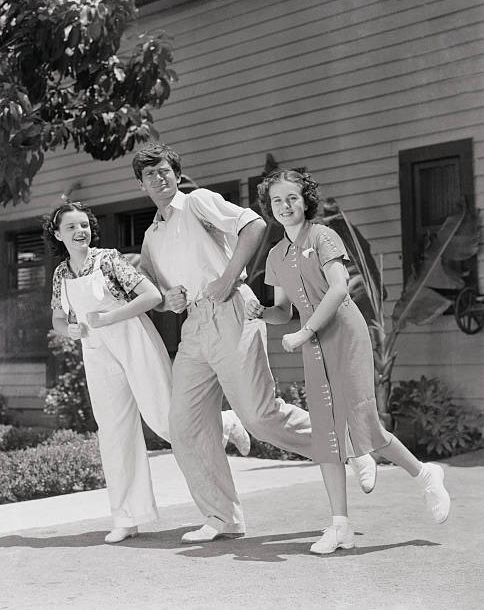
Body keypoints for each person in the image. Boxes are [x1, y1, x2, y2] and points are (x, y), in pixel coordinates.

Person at [132, 143, 376, 544]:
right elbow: (157, 287)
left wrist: (230, 276)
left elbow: (253, 225)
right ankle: (222, 517)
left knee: (260, 417)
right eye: (149, 176)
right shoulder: (151, 236)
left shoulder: (198, 203)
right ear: (142, 185)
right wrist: (168, 297)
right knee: (185, 424)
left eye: (164, 171)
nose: (159, 179)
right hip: (194, 325)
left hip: (230, 310)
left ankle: (350, 444)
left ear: (175, 173)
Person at [246, 169, 451, 555]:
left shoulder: (323, 236)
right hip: (313, 345)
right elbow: (282, 311)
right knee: (325, 438)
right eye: (277, 200)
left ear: (305, 200)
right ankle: (339, 526)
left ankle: (425, 475)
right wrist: (261, 312)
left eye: (292, 198)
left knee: (364, 424)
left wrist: (305, 333)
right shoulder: (276, 255)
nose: (285, 206)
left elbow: (339, 288)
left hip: (344, 335)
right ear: (269, 207)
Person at [44, 201, 250, 544]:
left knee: (164, 418)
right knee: (113, 431)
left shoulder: (108, 259)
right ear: (57, 234)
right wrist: (70, 331)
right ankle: (127, 516)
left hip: (132, 338)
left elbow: (151, 295)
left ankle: (226, 422)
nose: (80, 231)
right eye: (71, 227)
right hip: (96, 351)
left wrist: (108, 318)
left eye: (84, 225)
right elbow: (56, 318)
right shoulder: (61, 274)